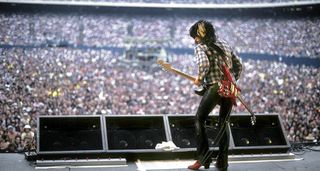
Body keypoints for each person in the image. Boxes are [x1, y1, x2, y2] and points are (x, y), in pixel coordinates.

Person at [187, 20, 242, 170]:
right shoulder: (224, 43)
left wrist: (199, 78)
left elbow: (204, 65)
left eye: (195, 37)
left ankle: (203, 159)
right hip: (230, 88)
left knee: (199, 119)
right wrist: (233, 80)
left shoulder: (200, 47)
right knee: (223, 123)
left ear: (199, 35)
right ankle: (222, 162)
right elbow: (239, 65)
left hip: (215, 87)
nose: (195, 40)